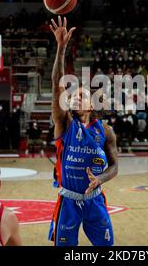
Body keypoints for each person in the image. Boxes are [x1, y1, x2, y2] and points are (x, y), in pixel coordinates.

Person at [48, 16, 119, 246]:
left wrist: (100, 178)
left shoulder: (106, 131)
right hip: (68, 201)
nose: (76, 97)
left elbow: (115, 166)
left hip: (95, 199)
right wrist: (61, 48)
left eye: (82, 95)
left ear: (91, 105)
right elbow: (57, 82)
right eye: (74, 95)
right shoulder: (64, 123)